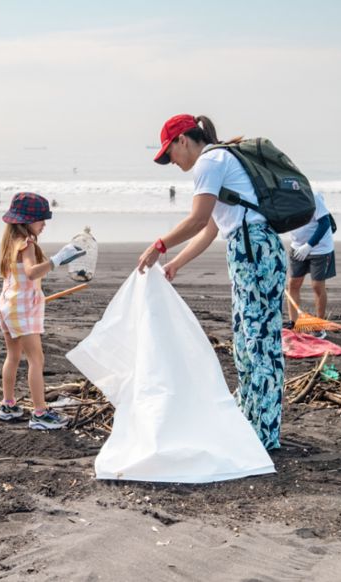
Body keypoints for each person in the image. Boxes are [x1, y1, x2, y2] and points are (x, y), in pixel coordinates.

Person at [137, 114, 287, 450]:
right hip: (249, 248)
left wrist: (158, 246)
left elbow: (197, 219)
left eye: (170, 153)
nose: (172, 162)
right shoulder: (219, 160)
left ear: (183, 140)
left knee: (259, 343)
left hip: (253, 249)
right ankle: (250, 423)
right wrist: (175, 263)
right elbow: (210, 229)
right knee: (245, 344)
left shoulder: (210, 161)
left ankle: (264, 434)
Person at [0, 193, 83, 430]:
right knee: (36, 359)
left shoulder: (10, 242)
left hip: (7, 305)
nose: (44, 224)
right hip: (22, 308)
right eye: (41, 219)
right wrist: (57, 259)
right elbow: (32, 272)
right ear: (27, 220)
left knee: (13, 356)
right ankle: (40, 413)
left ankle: (8, 405)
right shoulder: (27, 244)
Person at [286, 191, 336, 339]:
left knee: (317, 286)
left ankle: (319, 327)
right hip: (297, 247)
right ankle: (294, 323)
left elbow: (325, 223)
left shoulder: (312, 196)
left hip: (320, 248)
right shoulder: (282, 197)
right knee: (293, 284)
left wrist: (309, 245)